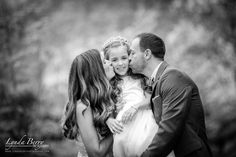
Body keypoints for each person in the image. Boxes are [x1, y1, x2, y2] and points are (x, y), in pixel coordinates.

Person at [129, 33, 213, 157]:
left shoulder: (173, 76)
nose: (129, 58)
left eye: (132, 53)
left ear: (147, 54)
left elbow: (169, 129)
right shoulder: (159, 81)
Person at [102, 36, 168, 157]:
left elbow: (150, 100)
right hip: (122, 128)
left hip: (143, 119)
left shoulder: (140, 76)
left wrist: (135, 107)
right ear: (108, 61)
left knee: (145, 146)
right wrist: (108, 119)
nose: (120, 63)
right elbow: (102, 104)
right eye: (114, 60)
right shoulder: (109, 83)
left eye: (124, 58)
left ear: (130, 57)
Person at [61, 49, 117, 157]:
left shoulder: (107, 96)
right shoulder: (83, 107)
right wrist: (121, 127)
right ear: (96, 72)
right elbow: (96, 153)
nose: (111, 62)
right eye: (105, 62)